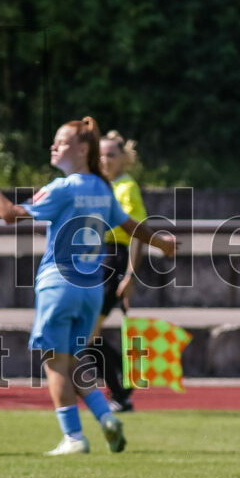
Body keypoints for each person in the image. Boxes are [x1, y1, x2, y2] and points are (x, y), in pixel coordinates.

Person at [0, 118, 176, 456]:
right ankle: (104, 417)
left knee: (54, 362)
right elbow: (128, 225)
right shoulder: (101, 187)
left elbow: (8, 214)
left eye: (61, 142)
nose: (54, 147)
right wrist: (161, 242)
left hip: (59, 283)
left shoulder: (63, 188)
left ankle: (73, 437)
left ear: (82, 149)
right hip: (91, 288)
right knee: (71, 359)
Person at [84, 131, 148, 412]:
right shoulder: (99, 185)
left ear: (124, 158)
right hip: (96, 259)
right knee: (87, 334)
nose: (105, 160)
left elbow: (138, 233)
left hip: (112, 260)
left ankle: (121, 390)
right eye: (101, 154)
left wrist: (131, 275)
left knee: (85, 334)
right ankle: (123, 382)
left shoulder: (126, 187)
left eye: (111, 154)